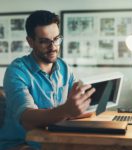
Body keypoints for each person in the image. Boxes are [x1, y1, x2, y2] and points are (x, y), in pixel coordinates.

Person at [0, 10, 95, 150]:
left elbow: (74, 105)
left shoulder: (63, 67)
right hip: (21, 144)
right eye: (44, 41)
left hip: (53, 140)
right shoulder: (16, 71)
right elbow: (27, 117)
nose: (53, 47)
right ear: (30, 41)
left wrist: (82, 104)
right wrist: (66, 110)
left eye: (56, 39)